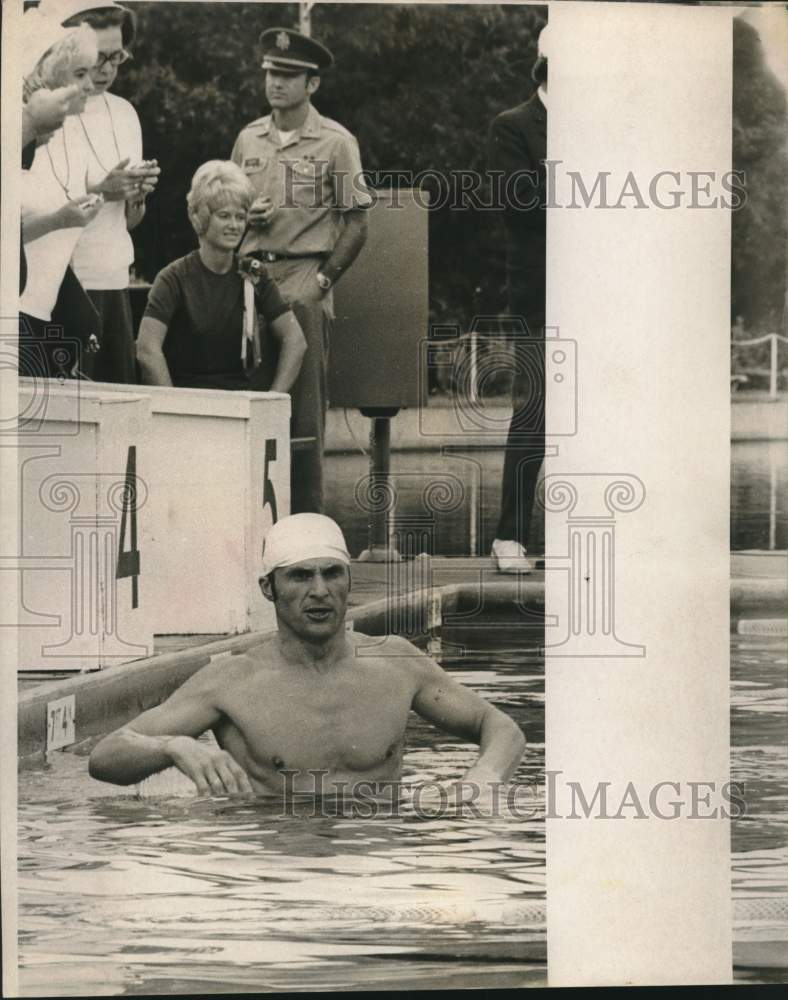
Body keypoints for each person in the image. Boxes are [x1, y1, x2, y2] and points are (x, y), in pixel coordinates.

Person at [89, 514, 526, 801]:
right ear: (268, 588)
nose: (319, 591)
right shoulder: (231, 680)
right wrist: (174, 745)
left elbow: (500, 727)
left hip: (383, 856)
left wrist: (481, 782)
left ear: (348, 581)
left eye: (332, 573)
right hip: (278, 864)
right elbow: (105, 757)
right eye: (300, 576)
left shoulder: (396, 662)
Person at [231, 27, 373, 514]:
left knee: (304, 419)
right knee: (247, 405)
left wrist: (322, 283)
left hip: (302, 281)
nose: (277, 83)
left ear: (312, 84)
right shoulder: (248, 137)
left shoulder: (336, 143)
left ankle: (309, 532)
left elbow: (357, 224)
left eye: (289, 75)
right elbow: (226, 206)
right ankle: (249, 527)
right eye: (272, 72)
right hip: (249, 284)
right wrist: (244, 216)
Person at [40, 0, 161, 385]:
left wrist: (136, 194)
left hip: (115, 278)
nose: (107, 69)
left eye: (118, 57)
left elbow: (130, 221)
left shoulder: (125, 113)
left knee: (118, 403)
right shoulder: (50, 109)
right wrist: (102, 190)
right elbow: (39, 200)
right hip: (67, 281)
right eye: (100, 58)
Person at [136, 160, 306, 392]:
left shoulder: (254, 273)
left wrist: (272, 401)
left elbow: (295, 341)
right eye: (224, 216)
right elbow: (147, 348)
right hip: (187, 402)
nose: (235, 225)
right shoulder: (173, 277)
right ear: (200, 218)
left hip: (239, 403)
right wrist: (172, 404)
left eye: (240, 216)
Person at [488, 25, 549, 574]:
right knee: (534, 407)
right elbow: (522, 203)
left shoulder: (600, 128)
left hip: (598, 289)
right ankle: (510, 536)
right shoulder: (512, 127)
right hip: (541, 292)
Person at [19, 16, 104, 379]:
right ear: (49, 77)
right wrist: (60, 219)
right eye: (79, 74)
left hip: (44, 315)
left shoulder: (68, 135)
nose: (90, 85)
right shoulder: (18, 135)